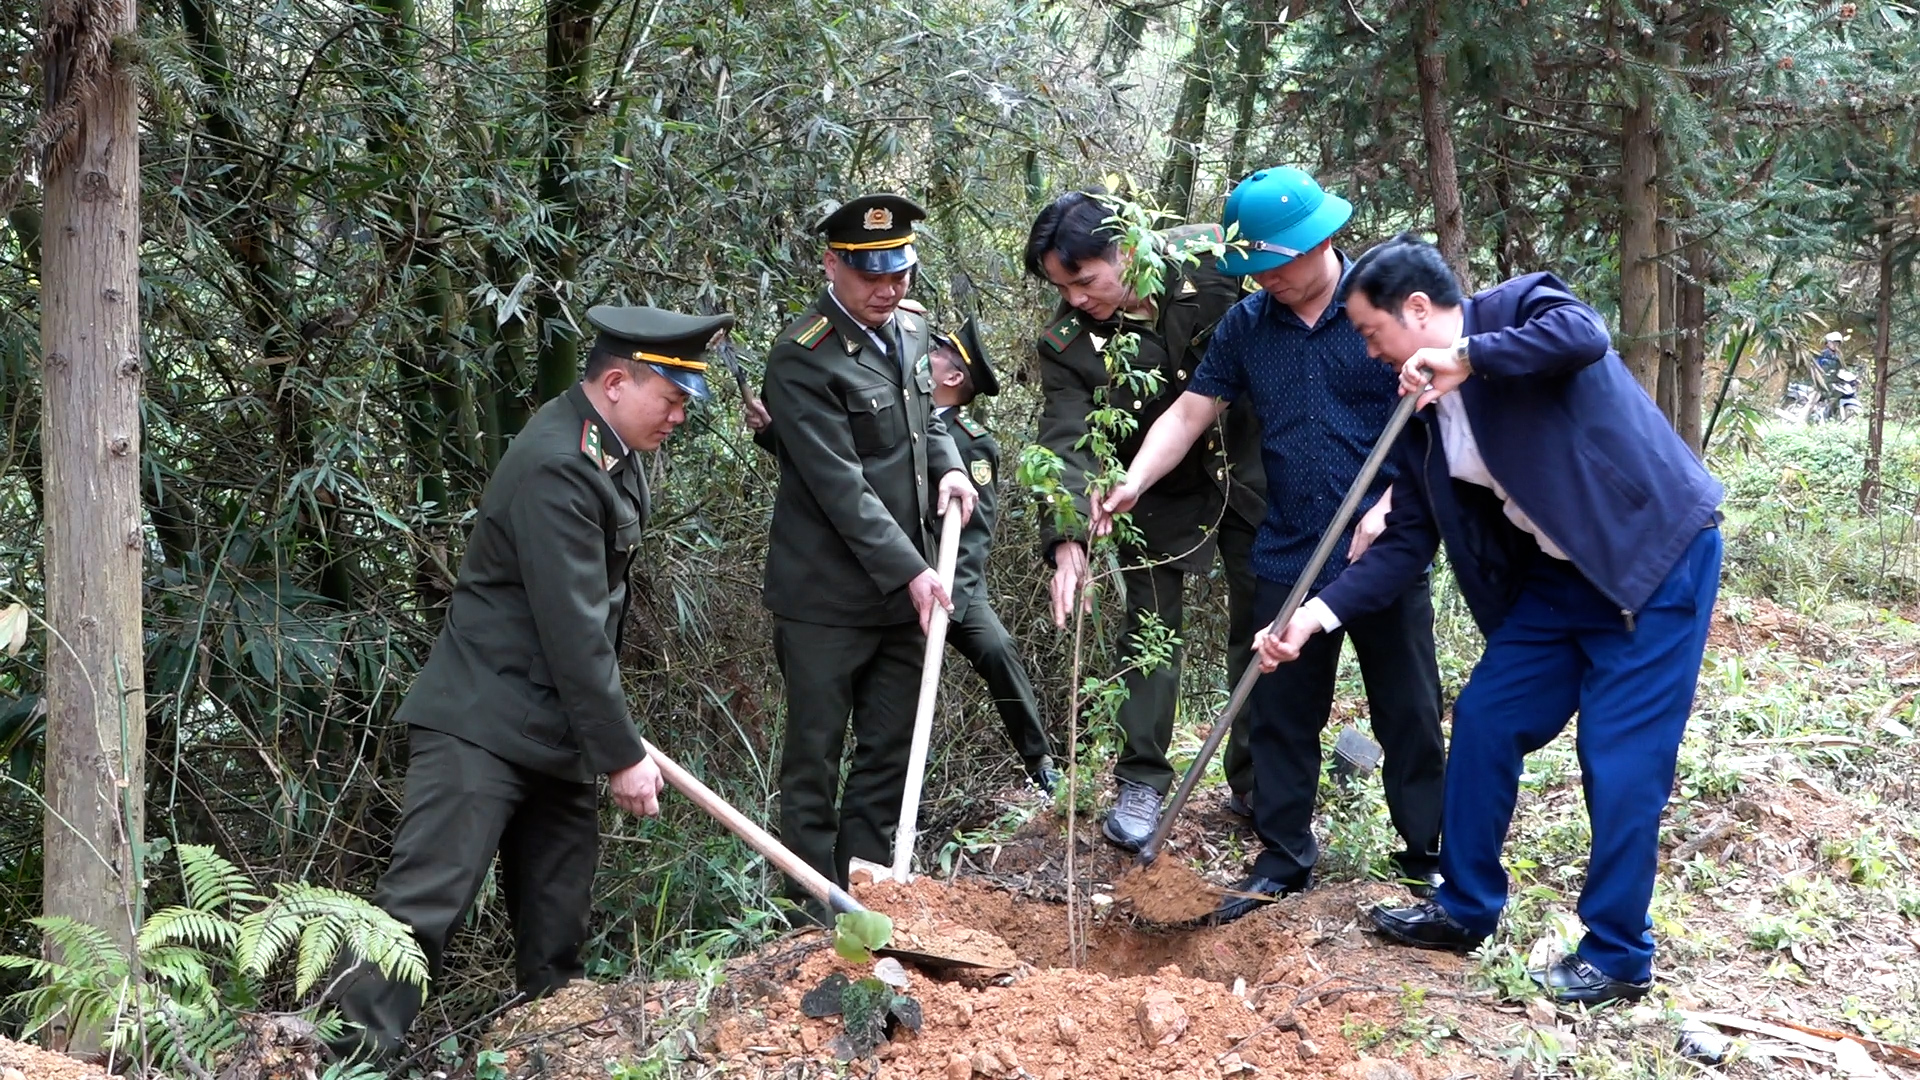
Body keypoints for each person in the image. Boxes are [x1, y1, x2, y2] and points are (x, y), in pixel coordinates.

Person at [1255, 234, 1724, 1005]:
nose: (1370, 353)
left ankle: (1618, 954)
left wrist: (1469, 354)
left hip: (1651, 561)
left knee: (1620, 760)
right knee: (1483, 719)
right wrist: (1312, 615)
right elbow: (1407, 540)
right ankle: (1464, 907)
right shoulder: (1421, 414)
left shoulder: (1519, 308)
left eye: (1372, 334)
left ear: (1416, 310)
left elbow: (1584, 336)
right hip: (1557, 585)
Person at [330, 305, 733, 1061]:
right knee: (420, 914)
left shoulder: (612, 449)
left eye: (685, 402)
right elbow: (574, 627)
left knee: (557, 938)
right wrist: (620, 754)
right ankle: (347, 1062)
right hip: (482, 724)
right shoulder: (558, 461)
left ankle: (549, 1060)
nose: (680, 416)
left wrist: (597, 743)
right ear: (615, 382)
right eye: (671, 399)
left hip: (554, 733)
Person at [1096, 168, 1446, 923]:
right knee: (1279, 713)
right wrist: (1135, 480)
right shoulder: (1248, 326)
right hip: (1289, 546)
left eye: (1278, 263)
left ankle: (1426, 858)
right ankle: (1283, 854)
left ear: (1321, 239)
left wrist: (1394, 501)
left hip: (1381, 549)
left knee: (1407, 709)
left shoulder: (1380, 314)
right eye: (1252, 267)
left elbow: (1439, 426)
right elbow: (1190, 414)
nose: (1268, 280)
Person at [1025, 191, 1266, 851]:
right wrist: (1068, 536)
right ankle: (1142, 782)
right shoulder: (1068, 342)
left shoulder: (1217, 260)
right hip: (1151, 495)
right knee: (1151, 633)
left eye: (1084, 280)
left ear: (1126, 251)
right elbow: (1066, 440)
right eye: (1061, 287)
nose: (1075, 298)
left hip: (1251, 471)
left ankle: (1256, 779)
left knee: (1262, 626)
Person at [760, 194, 977, 911]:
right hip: (825, 599)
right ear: (831, 266)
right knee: (815, 760)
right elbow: (838, 487)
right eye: (869, 276)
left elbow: (925, 422)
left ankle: (866, 902)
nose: (888, 290)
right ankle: (807, 915)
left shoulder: (912, 329)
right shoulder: (801, 357)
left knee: (889, 752)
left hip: (905, 594)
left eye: (900, 274)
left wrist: (949, 465)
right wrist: (913, 570)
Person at [929, 317, 1060, 792]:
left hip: (952, 582)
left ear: (952, 377)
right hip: (897, 576)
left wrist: (953, 599)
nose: (928, 351)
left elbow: (976, 530)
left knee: (998, 650)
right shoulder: (894, 416)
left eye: (938, 350)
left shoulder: (973, 442)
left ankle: (1041, 764)